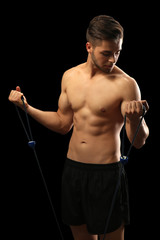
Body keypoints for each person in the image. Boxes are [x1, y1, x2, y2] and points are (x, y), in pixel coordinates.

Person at [9, 15, 149, 240]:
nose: (113, 59)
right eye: (106, 53)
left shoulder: (127, 85)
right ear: (89, 47)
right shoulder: (70, 77)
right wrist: (27, 108)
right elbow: (63, 124)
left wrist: (135, 119)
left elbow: (139, 141)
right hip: (73, 171)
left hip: (107, 175)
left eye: (118, 52)